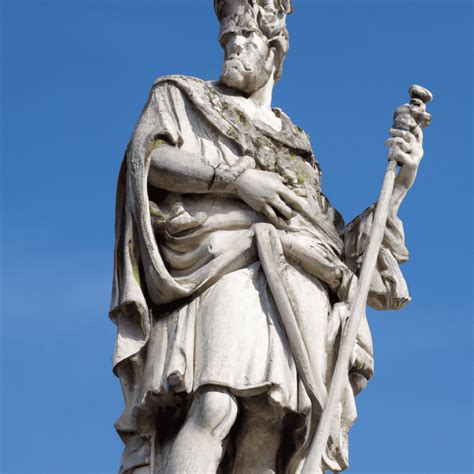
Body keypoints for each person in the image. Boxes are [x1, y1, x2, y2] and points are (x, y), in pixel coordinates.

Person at [110, 1, 424, 472]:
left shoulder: (298, 144)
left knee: (271, 420)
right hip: (225, 262)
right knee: (215, 404)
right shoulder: (183, 96)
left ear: (274, 51)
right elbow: (147, 161)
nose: (233, 47)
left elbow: (335, 240)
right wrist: (236, 181)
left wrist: (398, 187)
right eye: (228, 39)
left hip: (301, 283)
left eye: (246, 38)